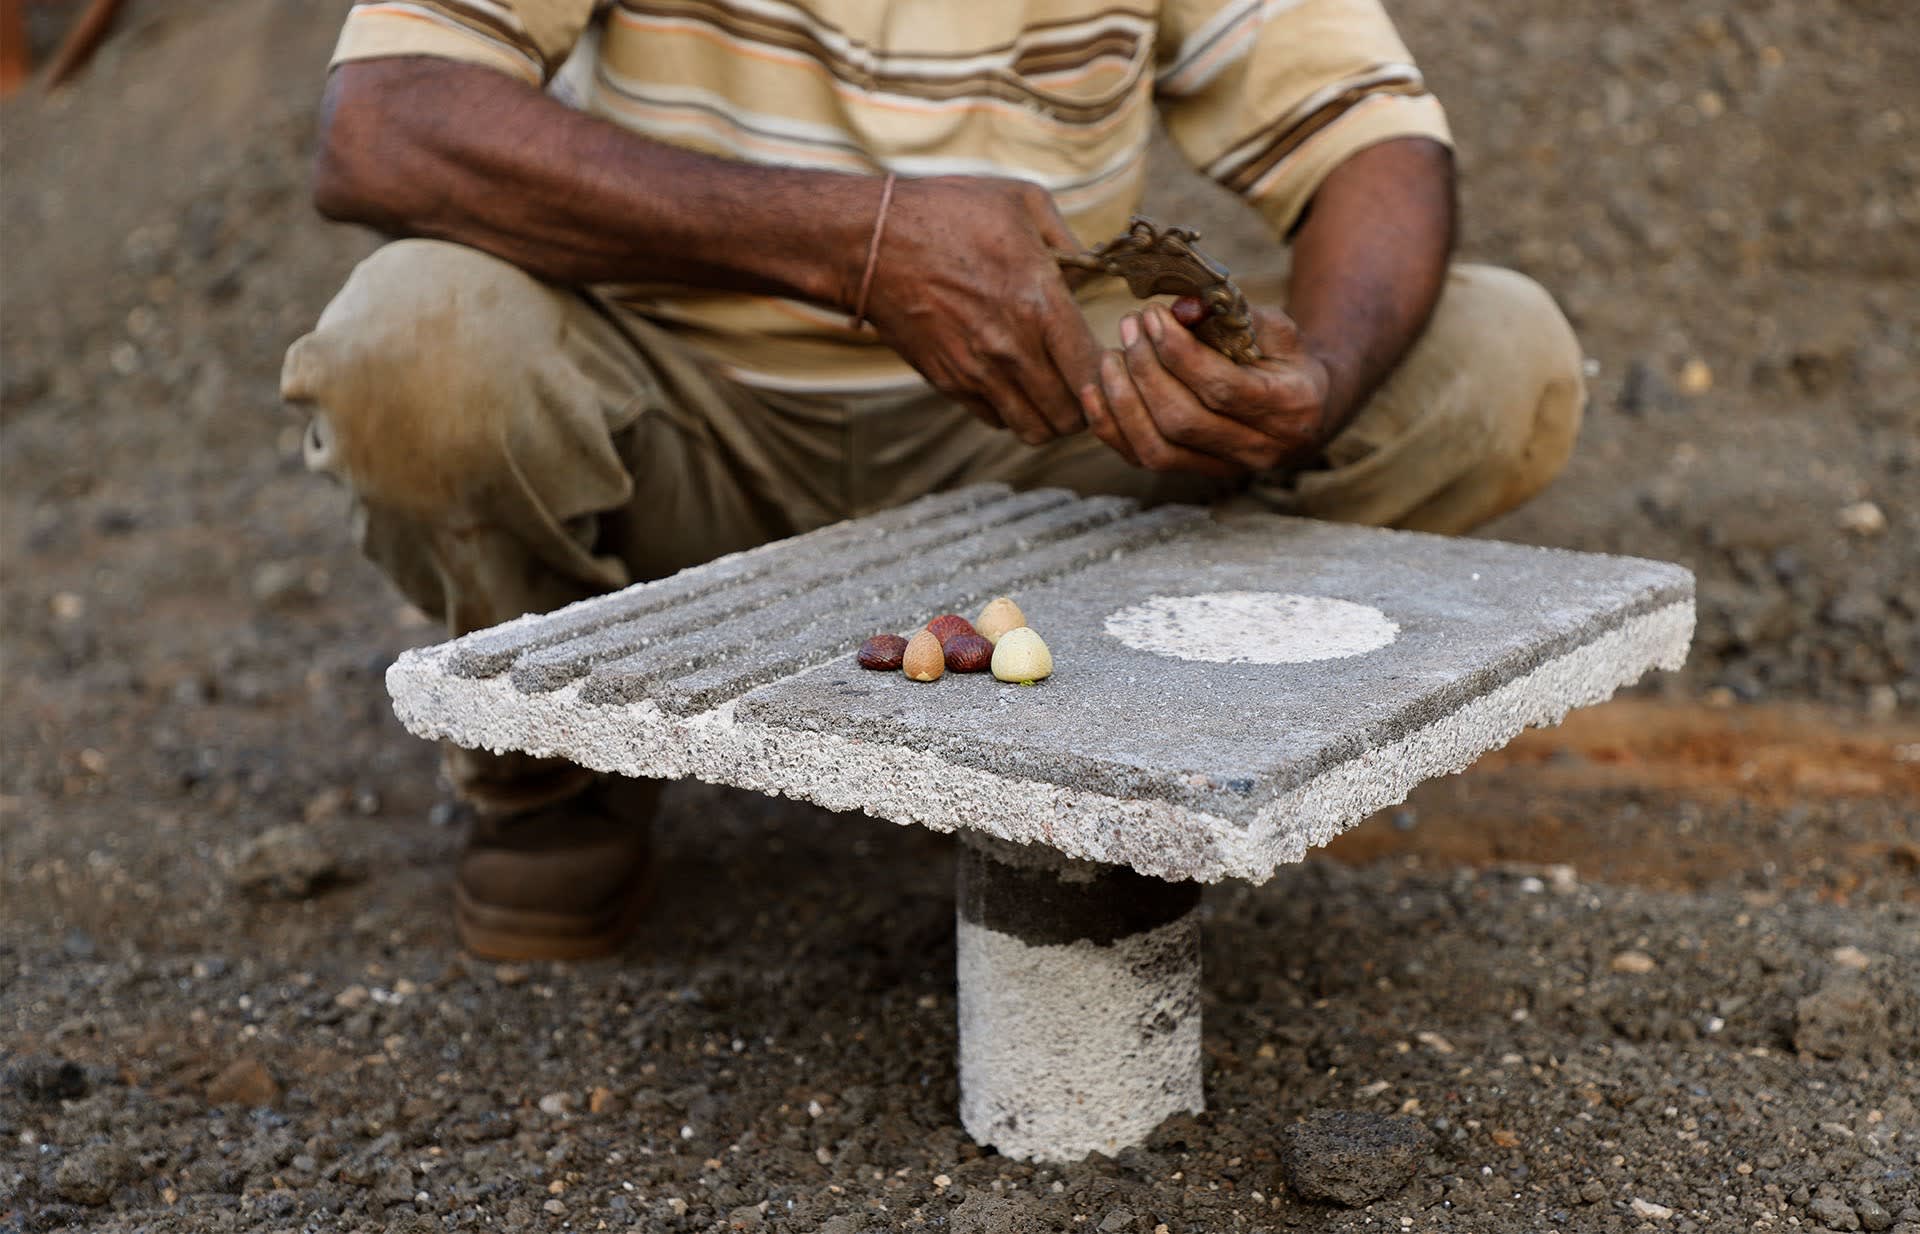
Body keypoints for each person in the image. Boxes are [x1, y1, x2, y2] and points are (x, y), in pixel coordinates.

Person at [283, 0, 1585, 960]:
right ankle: (553, 769)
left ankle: (1107, 756)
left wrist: (1320, 380)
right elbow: (387, 124)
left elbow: (1376, 141)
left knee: (1494, 358)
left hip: (1036, 449)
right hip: (676, 438)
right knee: (415, 344)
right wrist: (852, 239)